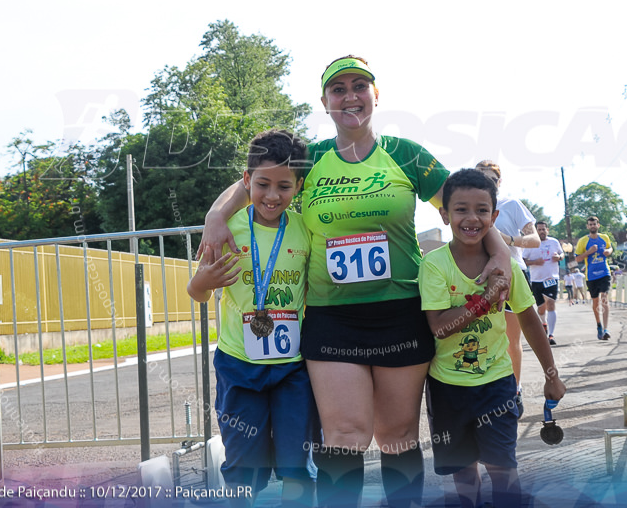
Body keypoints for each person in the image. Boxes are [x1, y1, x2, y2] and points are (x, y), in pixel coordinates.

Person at [198, 56, 514, 508]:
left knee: (397, 434)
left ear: (375, 95)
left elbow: (466, 200)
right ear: (325, 101)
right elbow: (253, 180)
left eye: (359, 86)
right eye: (338, 89)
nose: (349, 96)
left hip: (400, 313)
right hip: (332, 318)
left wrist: (500, 250)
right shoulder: (312, 157)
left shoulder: (406, 154)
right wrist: (215, 216)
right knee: (344, 433)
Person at [418, 169, 565, 508]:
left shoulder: (507, 267)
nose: (472, 218)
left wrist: (551, 375)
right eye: (461, 209)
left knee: (503, 469)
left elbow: (529, 321)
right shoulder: (434, 265)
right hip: (447, 387)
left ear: (495, 216)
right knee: (464, 475)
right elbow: (439, 327)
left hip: (498, 383)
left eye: (482, 210)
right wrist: (485, 300)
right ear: (444, 214)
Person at [186, 130, 315, 507]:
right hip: (239, 365)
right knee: (245, 465)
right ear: (246, 181)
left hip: (292, 369)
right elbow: (196, 292)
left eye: (283, 186)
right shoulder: (226, 228)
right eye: (262, 184)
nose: (272, 195)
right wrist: (203, 282)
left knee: (296, 465)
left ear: (298, 187)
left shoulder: (305, 229)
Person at [473, 160, 539, 405]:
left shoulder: (512, 205)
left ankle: (515, 391)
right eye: (479, 177)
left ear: (499, 183)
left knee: (511, 340)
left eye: (491, 179)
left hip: (513, 276)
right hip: (480, 279)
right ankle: (488, 392)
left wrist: (507, 239)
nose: (485, 183)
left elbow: (534, 240)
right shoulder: (471, 207)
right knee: (483, 338)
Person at [522, 221, 563, 345]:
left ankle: (551, 335)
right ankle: (543, 323)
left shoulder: (554, 242)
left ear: (547, 230)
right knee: (541, 308)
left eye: (543, 229)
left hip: (551, 278)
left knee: (550, 303)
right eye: (539, 229)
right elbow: (523, 261)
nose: (541, 232)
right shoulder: (531, 244)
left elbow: (562, 254)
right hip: (536, 280)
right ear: (536, 231)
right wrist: (534, 262)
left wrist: (559, 257)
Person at [575, 216, 615, 341]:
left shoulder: (604, 238)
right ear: (587, 226)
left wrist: (609, 251)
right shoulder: (583, 241)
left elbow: (610, 247)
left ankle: (606, 329)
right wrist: (588, 252)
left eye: (594, 224)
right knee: (596, 302)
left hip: (604, 273)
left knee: (604, 298)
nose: (592, 226)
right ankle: (599, 324)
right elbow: (577, 259)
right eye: (590, 224)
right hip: (591, 275)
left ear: (598, 225)